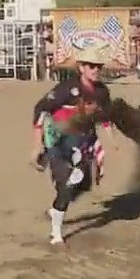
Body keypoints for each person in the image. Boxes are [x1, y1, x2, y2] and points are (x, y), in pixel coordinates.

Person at [31, 44, 114, 245]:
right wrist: (36, 145)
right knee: (68, 182)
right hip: (58, 140)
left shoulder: (102, 92)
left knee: (84, 183)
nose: (95, 70)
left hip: (83, 141)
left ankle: (56, 208)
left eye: (98, 66)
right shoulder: (66, 89)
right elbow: (41, 109)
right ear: (81, 67)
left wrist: (111, 141)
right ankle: (56, 233)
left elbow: (105, 117)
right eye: (91, 66)